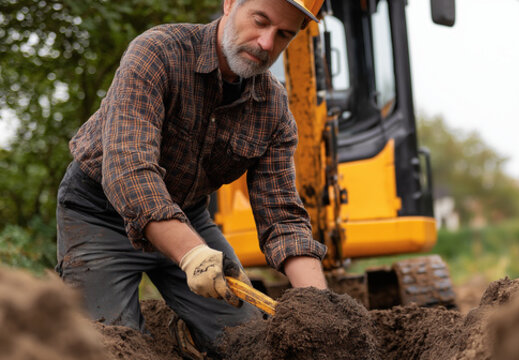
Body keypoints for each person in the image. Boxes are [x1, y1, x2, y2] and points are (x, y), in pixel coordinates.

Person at [54, 0, 327, 356]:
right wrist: (192, 254)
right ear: (230, 3)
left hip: (188, 217)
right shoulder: (157, 53)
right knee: (112, 348)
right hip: (99, 215)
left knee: (249, 345)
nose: (265, 43)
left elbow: (283, 218)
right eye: (260, 21)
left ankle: (189, 334)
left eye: (283, 35)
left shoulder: (273, 110)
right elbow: (129, 169)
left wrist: (322, 311)